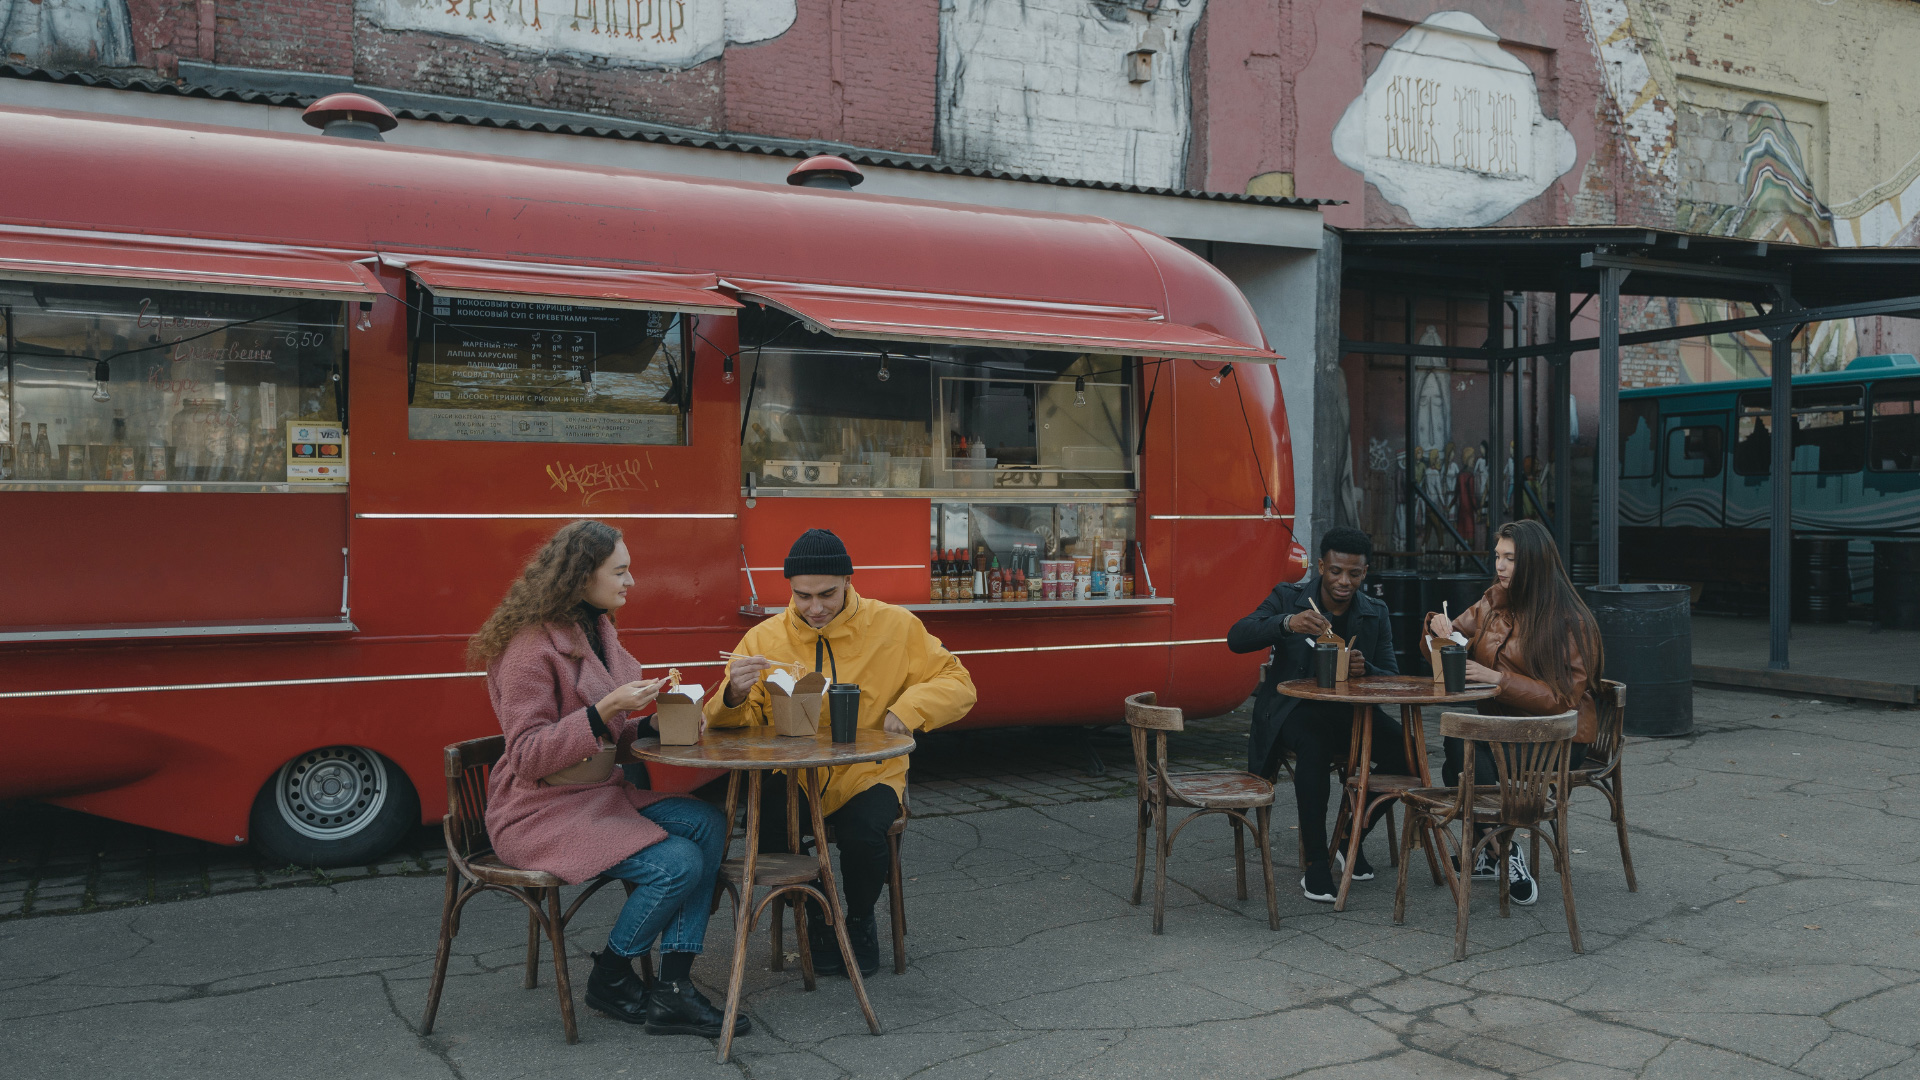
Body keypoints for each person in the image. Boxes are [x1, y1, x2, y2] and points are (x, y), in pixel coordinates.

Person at [470, 520, 743, 1038]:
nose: (631, 581)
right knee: (676, 862)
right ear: (580, 577)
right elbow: (528, 755)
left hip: (594, 795)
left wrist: (657, 722)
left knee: (706, 822)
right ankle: (611, 977)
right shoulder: (530, 648)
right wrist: (603, 710)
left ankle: (674, 989)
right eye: (620, 571)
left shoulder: (596, 630)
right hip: (537, 811)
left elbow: (611, 730)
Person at [709, 528, 976, 976]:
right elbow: (735, 723)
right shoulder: (763, 638)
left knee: (865, 833)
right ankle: (817, 915)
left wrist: (908, 708)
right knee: (770, 825)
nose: (815, 608)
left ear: (849, 581)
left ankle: (858, 919)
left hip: (869, 771)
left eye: (827, 594)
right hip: (791, 772)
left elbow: (959, 683)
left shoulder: (896, 625)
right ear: (790, 590)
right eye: (803, 596)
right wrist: (732, 696)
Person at [1426, 518, 1603, 906]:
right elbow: (1451, 636)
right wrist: (1437, 628)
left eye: (1510, 559)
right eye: (1497, 557)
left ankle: (1496, 850)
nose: (1500, 566)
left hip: (1555, 737)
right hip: (1502, 726)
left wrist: (1498, 678)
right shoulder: (1493, 600)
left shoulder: (1569, 619)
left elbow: (1564, 699)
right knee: (1459, 746)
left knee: (1473, 753)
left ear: (1535, 563)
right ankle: (1498, 853)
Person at [1228, 526, 1404, 904]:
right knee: (1315, 744)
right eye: (1336, 571)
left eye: (1354, 574)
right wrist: (1287, 623)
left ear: (1365, 573)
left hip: (1351, 715)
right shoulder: (1289, 598)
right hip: (1291, 711)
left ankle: (1348, 837)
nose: (1344, 581)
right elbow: (1236, 637)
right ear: (1322, 566)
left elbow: (1392, 676)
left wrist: (1366, 668)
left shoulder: (1375, 612)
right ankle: (1316, 864)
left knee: (1409, 755)